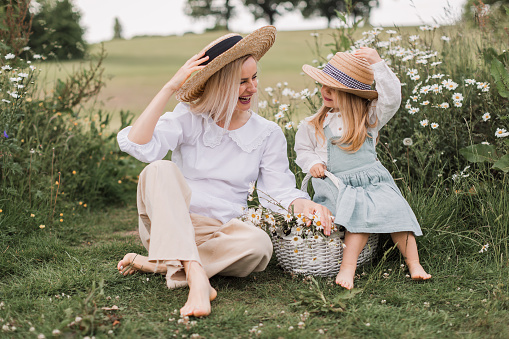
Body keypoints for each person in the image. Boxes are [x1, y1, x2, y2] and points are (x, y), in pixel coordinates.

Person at [115, 26, 332, 317]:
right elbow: (139, 144)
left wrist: (303, 203)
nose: (253, 88)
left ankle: (161, 262)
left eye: (254, 77)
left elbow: (277, 191)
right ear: (220, 84)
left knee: (259, 246)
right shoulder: (189, 118)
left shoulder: (267, 133)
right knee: (158, 170)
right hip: (172, 222)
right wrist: (169, 88)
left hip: (223, 232)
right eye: (242, 81)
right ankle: (196, 279)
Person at [294, 47, 431, 290]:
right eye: (323, 85)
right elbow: (303, 150)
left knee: (399, 213)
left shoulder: (368, 117)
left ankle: (414, 263)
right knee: (359, 217)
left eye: (334, 88)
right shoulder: (314, 124)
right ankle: (348, 267)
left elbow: (392, 99)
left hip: (374, 182)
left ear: (351, 94)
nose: (325, 91)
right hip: (338, 186)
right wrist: (313, 164)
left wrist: (378, 63)